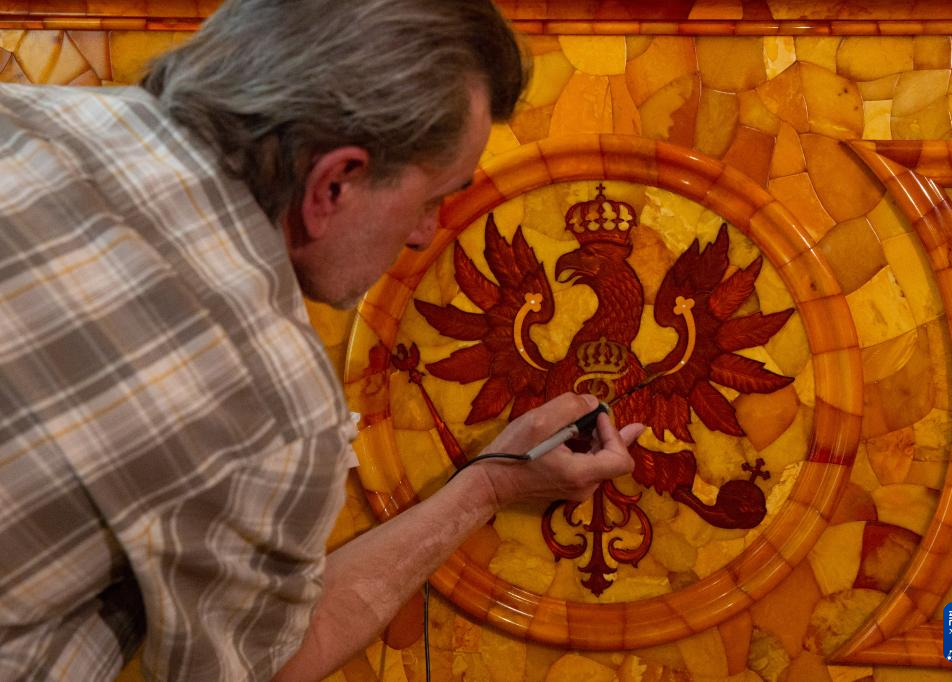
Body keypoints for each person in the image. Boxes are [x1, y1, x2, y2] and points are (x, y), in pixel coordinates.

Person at [0, 1, 640, 680]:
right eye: (431, 198)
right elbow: (271, 664)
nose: (425, 234)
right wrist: (486, 489)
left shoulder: (21, 113)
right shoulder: (265, 407)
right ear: (333, 183)